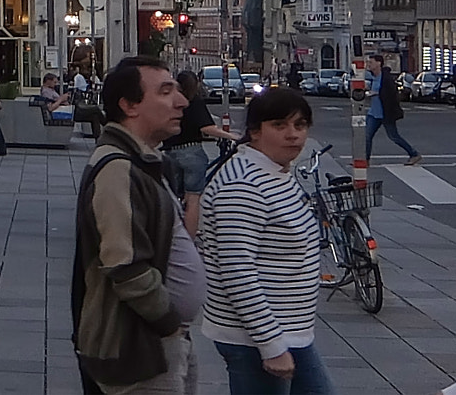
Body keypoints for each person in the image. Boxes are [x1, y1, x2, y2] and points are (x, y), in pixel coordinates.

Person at [71, 57, 198, 395]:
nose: (182, 101)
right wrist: (168, 322)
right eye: (166, 91)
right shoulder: (118, 169)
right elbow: (124, 265)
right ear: (129, 105)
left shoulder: (143, 162)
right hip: (139, 349)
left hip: (154, 341)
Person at [199, 86, 331, 395]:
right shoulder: (243, 185)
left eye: (300, 125)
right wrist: (270, 344)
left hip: (287, 331)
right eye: (279, 125)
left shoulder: (275, 173)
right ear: (255, 132)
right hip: (255, 338)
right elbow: (238, 271)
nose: (292, 135)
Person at [163, 69, 231, 233]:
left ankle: (173, 233)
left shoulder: (169, 101)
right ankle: (190, 237)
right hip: (191, 152)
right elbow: (207, 128)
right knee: (193, 199)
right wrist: (232, 136)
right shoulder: (194, 102)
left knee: (174, 196)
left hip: (170, 152)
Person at [362, 54, 421, 166]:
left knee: (394, 136)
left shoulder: (386, 78)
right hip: (374, 113)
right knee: (367, 136)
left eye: (371, 62)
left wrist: (376, 93)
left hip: (385, 113)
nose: (369, 65)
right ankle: (365, 160)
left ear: (379, 63)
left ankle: (414, 154)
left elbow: (391, 94)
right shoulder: (373, 76)